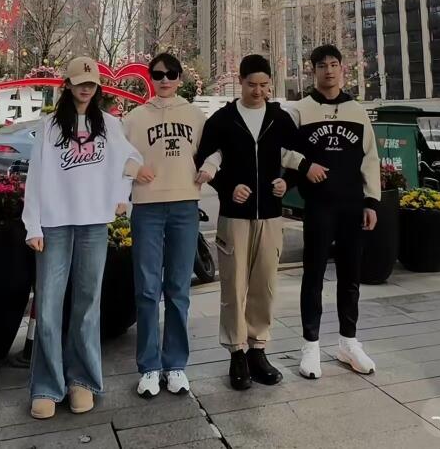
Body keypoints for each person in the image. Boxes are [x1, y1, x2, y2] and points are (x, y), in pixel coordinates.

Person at [22, 57, 141, 421]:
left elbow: (132, 159)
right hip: (54, 224)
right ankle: (46, 386)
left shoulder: (109, 124)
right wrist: (33, 225)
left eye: (91, 83)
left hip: (93, 224)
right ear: (68, 85)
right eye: (79, 82)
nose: (86, 88)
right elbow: (35, 176)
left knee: (87, 305)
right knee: (49, 306)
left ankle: (83, 381)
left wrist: (121, 194)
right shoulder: (49, 127)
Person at [195, 54, 306, 391]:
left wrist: (287, 182)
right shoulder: (222, 120)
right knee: (233, 287)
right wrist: (228, 186)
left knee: (264, 285)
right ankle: (237, 354)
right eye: (251, 84)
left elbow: (297, 159)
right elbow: (206, 160)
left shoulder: (280, 118)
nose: (258, 91)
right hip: (234, 218)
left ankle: (258, 350)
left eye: (264, 85)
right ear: (240, 82)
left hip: (271, 216)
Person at [283, 44, 380, 380]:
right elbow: (280, 149)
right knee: (313, 276)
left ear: (342, 68)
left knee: (350, 276)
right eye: (322, 65)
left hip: (352, 205)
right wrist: (304, 165)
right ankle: (310, 346)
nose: (329, 70)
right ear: (313, 71)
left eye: (334, 64)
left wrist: (371, 201)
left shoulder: (357, 111)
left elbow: (370, 158)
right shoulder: (300, 110)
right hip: (319, 205)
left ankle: (348, 342)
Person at [122, 52, 216, 399]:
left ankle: (175, 364)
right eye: (158, 74)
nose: (165, 80)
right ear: (150, 77)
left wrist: (210, 168)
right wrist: (134, 170)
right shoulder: (134, 118)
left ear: (180, 78)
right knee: (147, 289)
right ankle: (149, 366)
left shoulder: (194, 115)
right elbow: (115, 155)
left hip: (184, 206)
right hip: (146, 208)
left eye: (171, 74)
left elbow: (215, 149)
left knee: (178, 288)